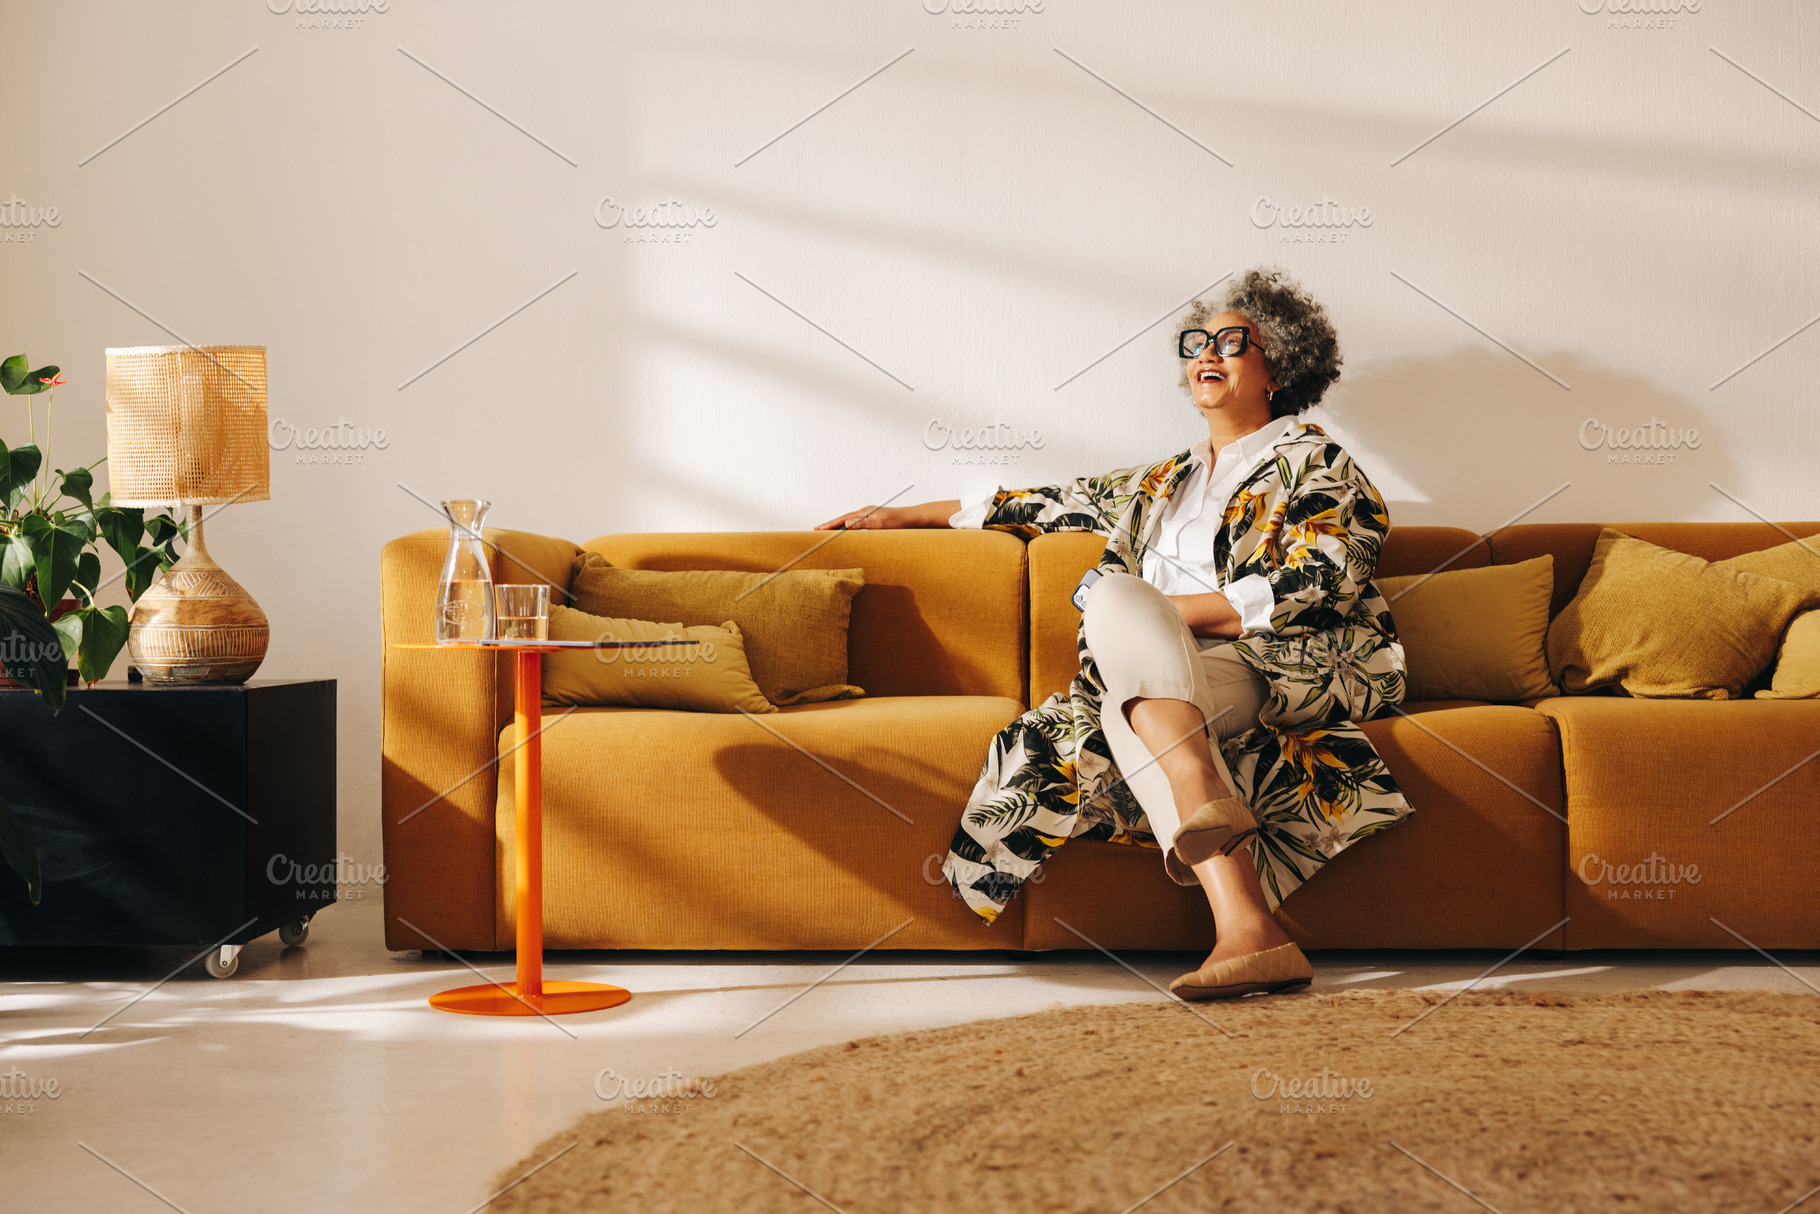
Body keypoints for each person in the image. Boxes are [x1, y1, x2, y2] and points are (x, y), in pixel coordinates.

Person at [817, 268, 1411, 1001]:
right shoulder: (1165, 480)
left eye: (1232, 341)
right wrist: (904, 515)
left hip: (1277, 661)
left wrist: (1172, 614)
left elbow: (1325, 575)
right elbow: (1044, 504)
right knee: (1125, 633)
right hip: (1173, 676)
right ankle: (1248, 930)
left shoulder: (1319, 463)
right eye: (1198, 341)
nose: (1207, 353)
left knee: (1122, 658)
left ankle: (1203, 812)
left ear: (1280, 365)